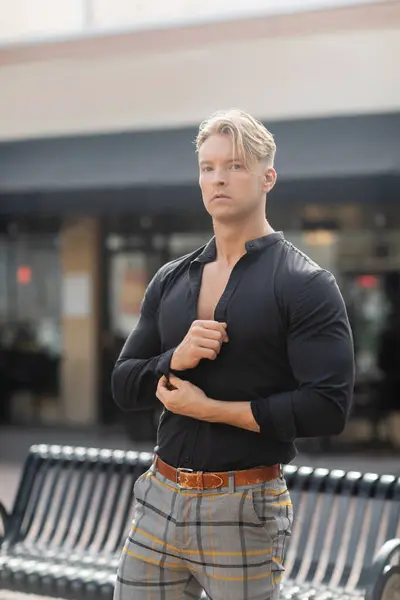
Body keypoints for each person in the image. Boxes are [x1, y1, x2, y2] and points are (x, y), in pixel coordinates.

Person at [112, 109, 355, 600]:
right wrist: (172, 358)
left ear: (268, 177)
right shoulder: (171, 279)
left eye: (236, 165)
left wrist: (212, 411)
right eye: (208, 166)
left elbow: (328, 407)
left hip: (244, 506)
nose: (218, 177)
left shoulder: (305, 284)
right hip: (158, 496)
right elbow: (123, 385)